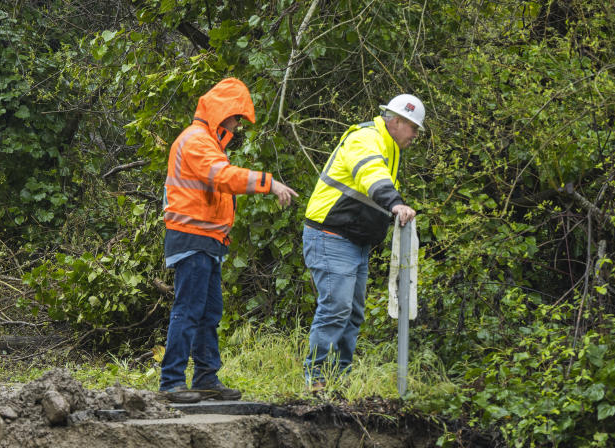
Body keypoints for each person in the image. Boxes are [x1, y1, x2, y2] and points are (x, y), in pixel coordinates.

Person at [160, 77, 299, 404]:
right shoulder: (197, 142)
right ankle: (171, 382)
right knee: (189, 310)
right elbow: (224, 178)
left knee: (208, 313)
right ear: (222, 113)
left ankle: (206, 378)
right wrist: (269, 183)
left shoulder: (207, 143)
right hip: (192, 238)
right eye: (236, 118)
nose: (237, 126)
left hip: (206, 240)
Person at [301, 93, 424, 390]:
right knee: (336, 308)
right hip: (331, 235)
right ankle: (316, 380)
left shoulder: (390, 146)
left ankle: (339, 380)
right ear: (397, 121)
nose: (416, 136)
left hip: (355, 241)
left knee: (352, 313)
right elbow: (371, 174)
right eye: (414, 129)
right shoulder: (365, 138)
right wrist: (396, 204)